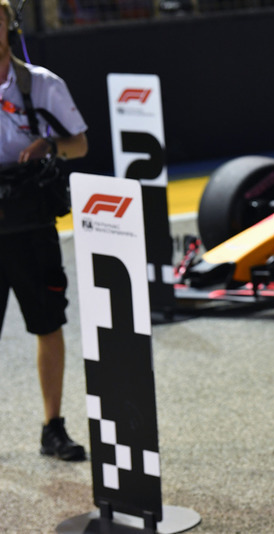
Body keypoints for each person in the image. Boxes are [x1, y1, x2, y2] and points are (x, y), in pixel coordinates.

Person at [1, 0, 89, 461]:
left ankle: (52, 427)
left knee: (48, 323)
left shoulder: (42, 84)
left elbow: (80, 144)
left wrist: (49, 145)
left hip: (31, 222)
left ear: (8, 25)